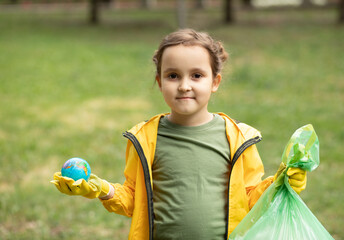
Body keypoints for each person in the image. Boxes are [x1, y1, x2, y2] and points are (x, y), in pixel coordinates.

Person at [51, 29, 307, 240]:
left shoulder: (237, 138)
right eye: (173, 76)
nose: (184, 85)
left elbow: (251, 197)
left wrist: (282, 184)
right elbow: (133, 199)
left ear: (215, 82)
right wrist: (101, 188)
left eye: (197, 75)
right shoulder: (145, 139)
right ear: (160, 81)